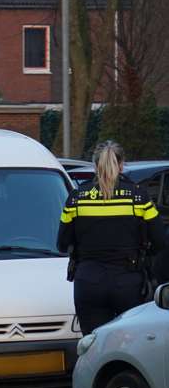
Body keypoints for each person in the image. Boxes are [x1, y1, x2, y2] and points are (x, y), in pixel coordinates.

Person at [57, 140, 164, 332]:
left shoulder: (76, 197)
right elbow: (160, 241)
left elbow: (62, 244)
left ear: (95, 165)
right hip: (128, 283)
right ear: (122, 165)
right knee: (131, 345)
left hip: (88, 282)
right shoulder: (138, 196)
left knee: (92, 345)